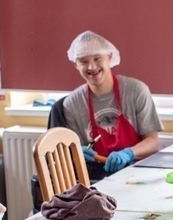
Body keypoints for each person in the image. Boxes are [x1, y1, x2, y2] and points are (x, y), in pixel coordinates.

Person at [61, 31, 162, 180]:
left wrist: (128, 153)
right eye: (83, 61)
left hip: (139, 174)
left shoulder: (136, 90)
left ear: (109, 57)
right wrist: (77, 152)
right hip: (98, 178)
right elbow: (79, 152)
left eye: (97, 58)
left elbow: (153, 142)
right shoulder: (72, 103)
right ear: (75, 64)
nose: (91, 66)